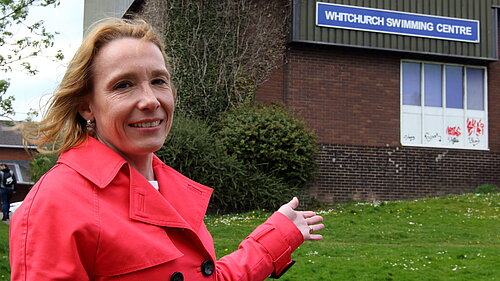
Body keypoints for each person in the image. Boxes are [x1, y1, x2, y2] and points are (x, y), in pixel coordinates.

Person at [10, 18, 324, 281]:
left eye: (159, 81)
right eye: (123, 85)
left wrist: (278, 234)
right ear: (87, 107)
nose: (150, 100)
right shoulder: (56, 204)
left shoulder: (171, 189)